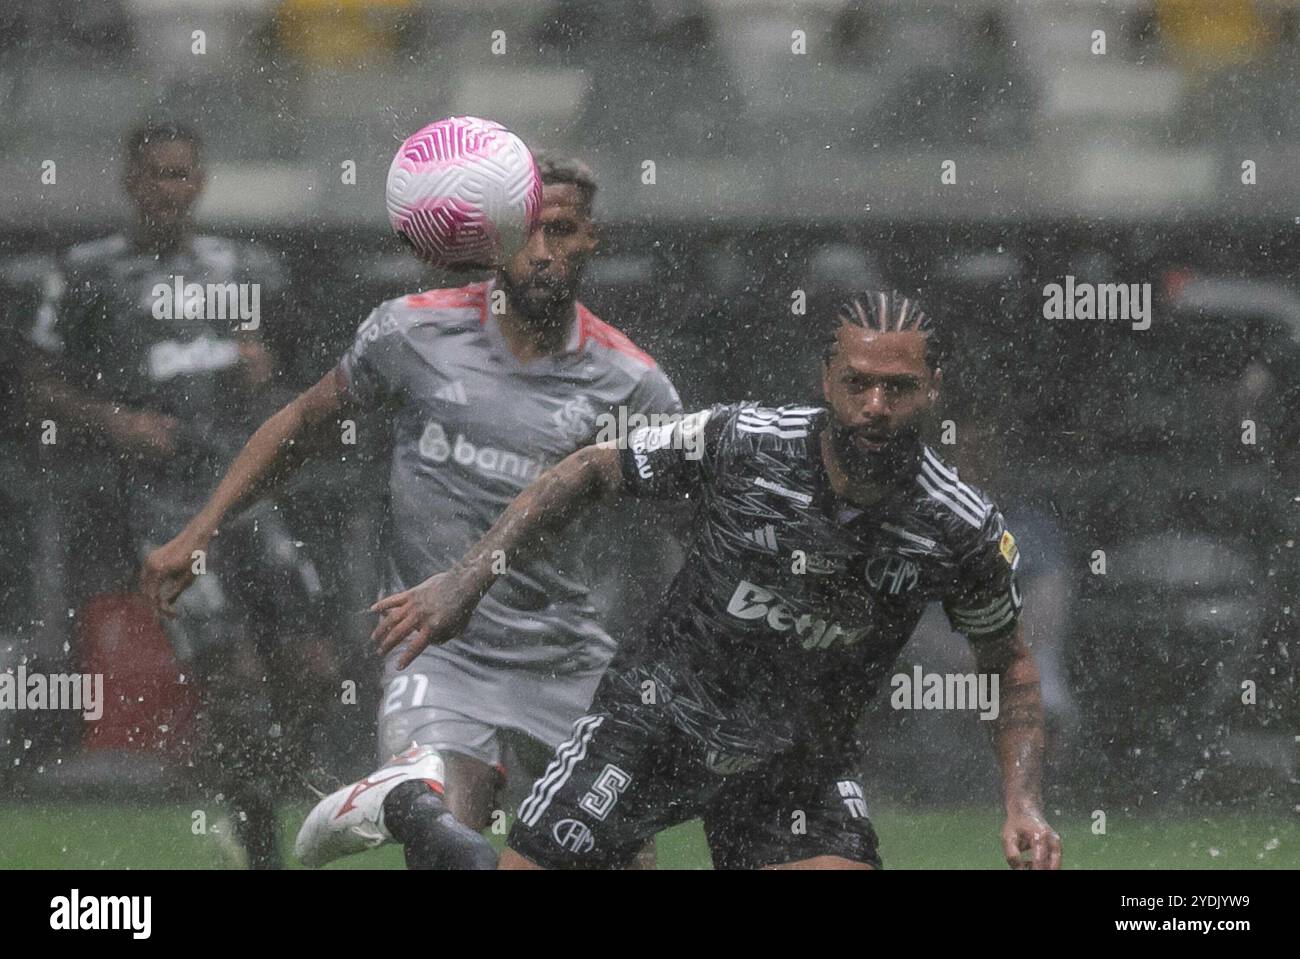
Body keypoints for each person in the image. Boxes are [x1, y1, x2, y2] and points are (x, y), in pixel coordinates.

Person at [372, 290, 1063, 870]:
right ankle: (417, 815)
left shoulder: (959, 526)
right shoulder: (742, 441)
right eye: (858, 382)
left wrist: (1023, 802)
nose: (875, 405)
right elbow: (589, 468)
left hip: (799, 756)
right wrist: (465, 581)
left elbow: (1010, 667)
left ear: (932, 390)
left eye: (899, 387)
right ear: (826, 378)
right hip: (655, 718)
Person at [139, 153, 683, 869]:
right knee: (448, 843)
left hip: (568, 659)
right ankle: (390, 803)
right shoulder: (411, 333)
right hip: (439, 656)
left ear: (591, 239)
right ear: (490, 237)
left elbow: (696, 519)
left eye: (561, 230)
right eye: (525, 231)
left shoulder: (633, 383)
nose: (543, 251)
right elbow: (301, 422)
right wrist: (200, 529)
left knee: (626, 862)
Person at [22, 120, 325, 868]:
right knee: (235, 676)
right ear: (130, 182)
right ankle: (259, 848)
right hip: (159, 501)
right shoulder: (87, 271)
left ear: (202, 181)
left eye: (181, 174)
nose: (169, 189)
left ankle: (227, 775)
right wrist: (113, 420)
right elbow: (33, 388)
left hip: (246, 490)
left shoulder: (246, 268)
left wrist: (268, 376)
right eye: (155, 174)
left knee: (316, 670)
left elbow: (309, 381)